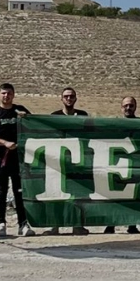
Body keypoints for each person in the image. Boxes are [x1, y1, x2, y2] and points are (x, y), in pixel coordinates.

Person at [0, 83, 33, 238]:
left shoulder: (19, 110)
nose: (6, 96)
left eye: (9, 93)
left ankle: (23, 224)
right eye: (3, 93)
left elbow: (33, 124)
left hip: (18, 159)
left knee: (19, 191)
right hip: (0, 158)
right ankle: (1, 224)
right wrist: (4, 143)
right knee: (1, 190)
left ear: (13, 95)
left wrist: (26, 118)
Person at [43, 88, 90, 236]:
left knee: (77, 194)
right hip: (58, 161)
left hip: (77, 161)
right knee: (56, 193)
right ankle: (54, 225)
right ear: (61, 99)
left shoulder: (82, 115)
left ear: (75, 98)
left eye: (71, 96)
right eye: (66, 96)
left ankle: (77, 225)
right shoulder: (54, 116)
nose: (69, 99)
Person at [104, 96, 140, 234]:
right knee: (115, 196)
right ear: (121, 108)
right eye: (125, 105)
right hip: (118, 164)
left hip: (135, 165)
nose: (128, 108)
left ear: (135, 107)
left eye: (131, 105)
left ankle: (132, 224)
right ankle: (111, 224)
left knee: (134, 195)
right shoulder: (116, 125)